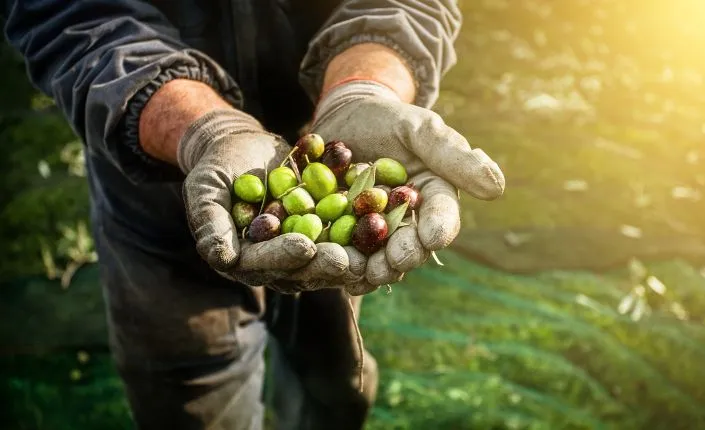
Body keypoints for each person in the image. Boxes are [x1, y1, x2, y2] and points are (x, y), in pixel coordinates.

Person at [2, 1, 504, 429]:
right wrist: (205, 129)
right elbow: (71, 13)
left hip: (337, 135)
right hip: (156, 176)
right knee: (189, 397)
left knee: (336, 381)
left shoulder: (344, 193)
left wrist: (363, 88)